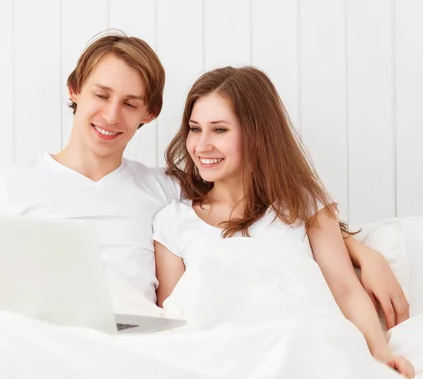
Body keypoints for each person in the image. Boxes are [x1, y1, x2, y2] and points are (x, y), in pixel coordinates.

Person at [0, 32, 409, 332]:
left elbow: (258, 212)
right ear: (74, 91)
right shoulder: (11, 185)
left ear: (150, 114)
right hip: (37, 335)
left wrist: (360, 251)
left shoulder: (167, 189)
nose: (110, 115)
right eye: (101, 95)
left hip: (133, 344)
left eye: (130, 103)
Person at [151, 66, 415, 378]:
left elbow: (344, 288)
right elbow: (176, 317)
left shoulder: (303, 205)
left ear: (256, 134)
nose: (201, 145)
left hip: (301, 339)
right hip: (224, 355)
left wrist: (381, 353)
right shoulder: (173, 221)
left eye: (219, 130)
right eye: (195, 129)